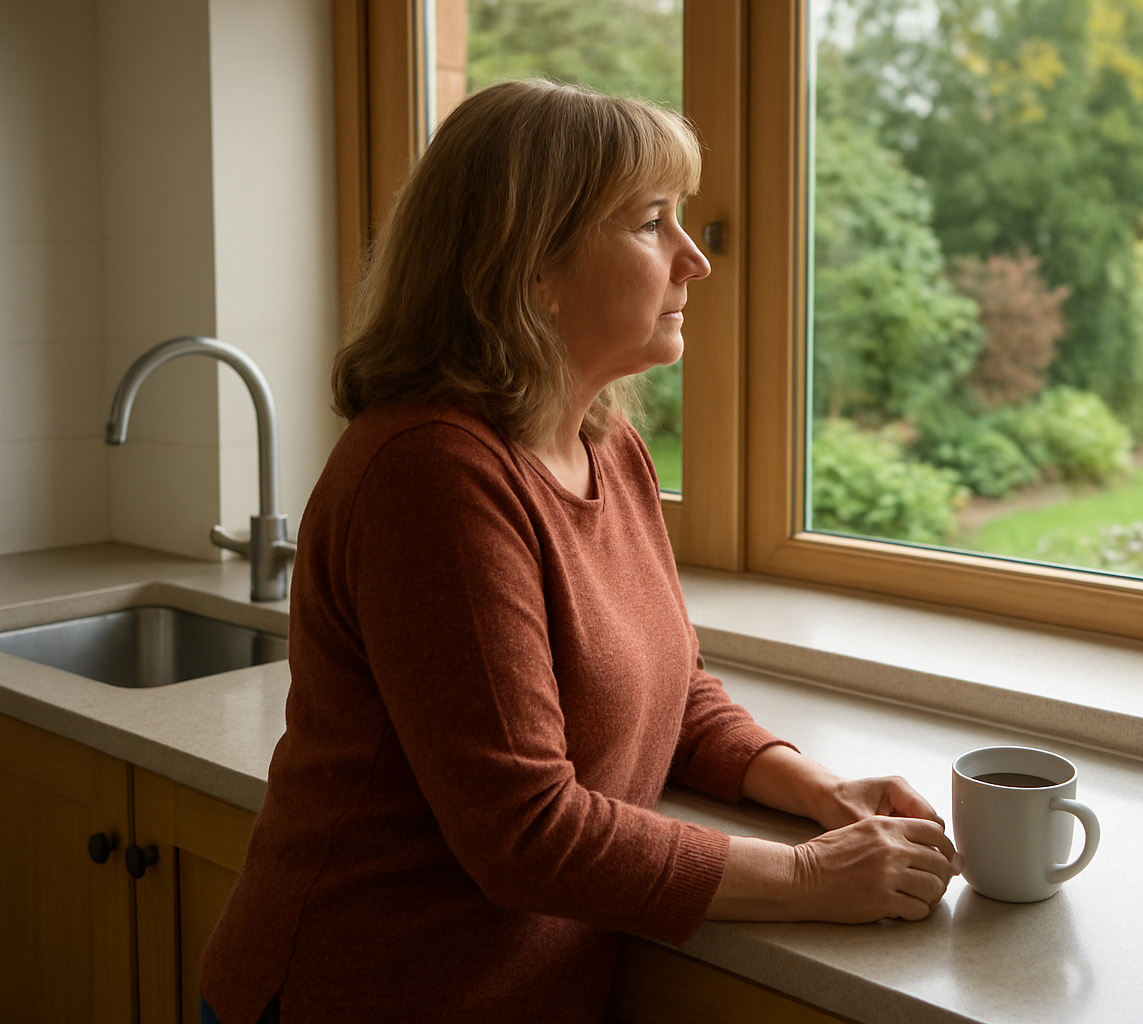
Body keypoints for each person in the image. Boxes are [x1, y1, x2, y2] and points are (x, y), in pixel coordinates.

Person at [197, 79, 958, 1024]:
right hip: (364, 989)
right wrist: (804, 877)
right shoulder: (430, 474)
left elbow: (670, 693)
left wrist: (818, 786)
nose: (695, 260)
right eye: (650, 223)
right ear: (530, 268)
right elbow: (525, 832)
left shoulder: (604, 441)